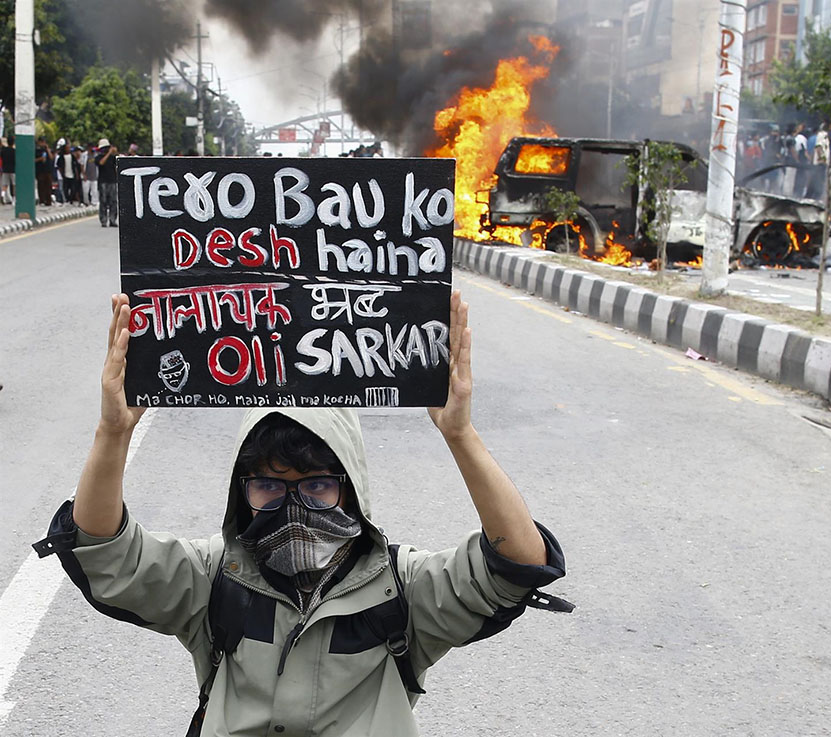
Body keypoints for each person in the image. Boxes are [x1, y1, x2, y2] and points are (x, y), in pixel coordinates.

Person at [37, 291, 566, 736]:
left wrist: (460, 435)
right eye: (268, 485)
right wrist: (113, 432)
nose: (293, 506)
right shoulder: (214, 578)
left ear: (350, 488)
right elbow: (106, 553)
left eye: (316, 484)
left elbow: (517, 563)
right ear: (241, 490)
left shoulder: (402, 591)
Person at [96, 138, 119, 227]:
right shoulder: (98, 157)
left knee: (113, 202)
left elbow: (117, 165)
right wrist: (108, 153)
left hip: (112, 181)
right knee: (103, 201)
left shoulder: (112, 158)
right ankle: (104, 220)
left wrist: (114, 153)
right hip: (103, 182)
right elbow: (101, 163)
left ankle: (113, 219)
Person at [35, 136, 55, 206]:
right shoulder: (36, 150)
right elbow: (33, 160)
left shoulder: (47, 149)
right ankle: (42, 200)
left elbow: (51, 157)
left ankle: (48, 201)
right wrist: (40, 159)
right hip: (40, 170)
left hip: (48, 170)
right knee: (41, 186)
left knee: (48, 186)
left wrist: (47, 149)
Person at [0, 136, 15, 205]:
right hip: (13, 170)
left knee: (4, 185)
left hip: (5, 169)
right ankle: (14, 199)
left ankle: (2, 195)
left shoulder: (3, 150)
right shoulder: (14, 151)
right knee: (14, 185)